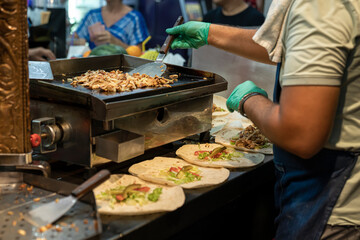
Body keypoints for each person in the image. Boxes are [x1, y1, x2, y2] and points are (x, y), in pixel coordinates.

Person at [166, 0, 360, 239]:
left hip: (331, 201)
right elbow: (286, 46)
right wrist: (209, 33)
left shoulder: (319, 6)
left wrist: (249, 99)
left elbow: (299, 134)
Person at [74, 0, 149, 50]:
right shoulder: (92, 15)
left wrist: (116, 42)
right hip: (92, 70)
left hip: (122, 72)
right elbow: (72, 40)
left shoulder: (134, 18)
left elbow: (139, 54)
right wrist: (79, 42)